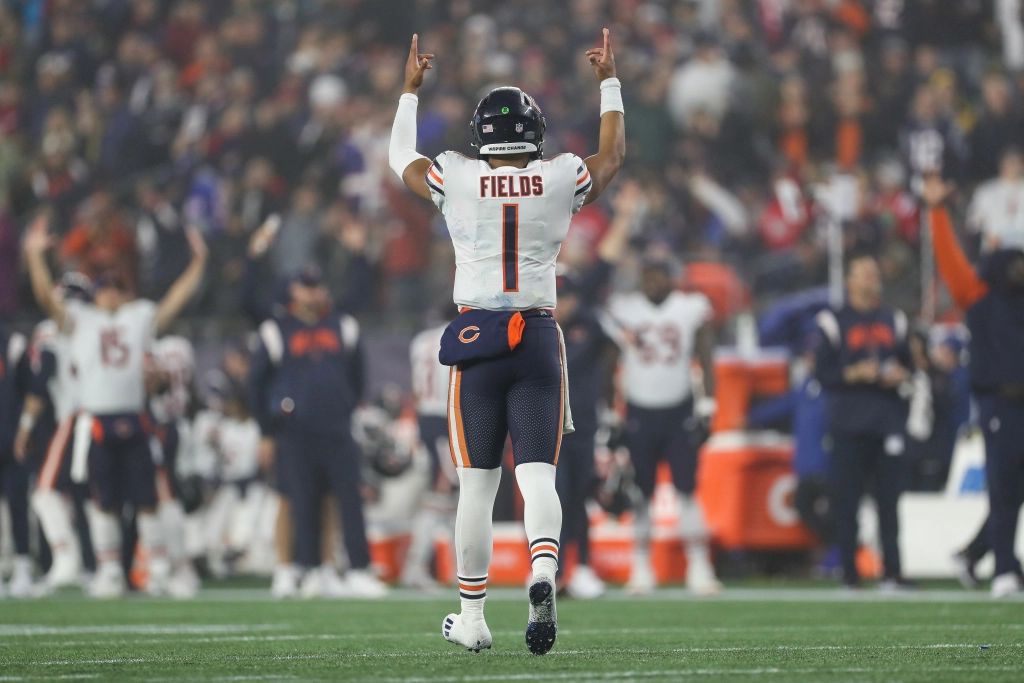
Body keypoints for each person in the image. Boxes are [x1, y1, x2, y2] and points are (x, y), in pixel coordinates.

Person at [388, 29, 624, 654]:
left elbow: (398, 161)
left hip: (479, 335)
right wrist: (609, 81)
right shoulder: (557, 177)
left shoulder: (457, 176)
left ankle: (472, 615)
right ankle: (544, 569)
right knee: (539, 477)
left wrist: (409, 93)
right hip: (541, 335)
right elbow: (611, 159)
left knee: (476, 486)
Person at [23, 214, 207, 597]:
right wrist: (35, 257)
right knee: (103, 500)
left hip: (135, 419)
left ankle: (157, 568)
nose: (111, 293)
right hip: (96, 422)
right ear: (95, 295)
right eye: (105, 288)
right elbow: (45, 299)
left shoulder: (138, 317)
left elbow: (174, 301)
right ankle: (108, 570)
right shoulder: (81, 319)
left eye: (117, 288)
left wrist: (198, 264)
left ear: (127, 293)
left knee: (147, 500)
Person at [247, 265, 387, 599]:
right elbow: (256, 384)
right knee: (301, 499)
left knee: (348, 499)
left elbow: (357, 377)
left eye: (316, 286)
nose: (312, 292)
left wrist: (345, 406)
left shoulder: (343, 325)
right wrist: (266, 430)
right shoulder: (274, 330)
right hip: (294, 430)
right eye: (305, 286)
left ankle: (356, 569)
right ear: (292, 291)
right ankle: (306, 568)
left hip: (336, 426)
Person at [923, 175, 1024, 598]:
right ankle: (1003, 568)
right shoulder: (978, 294)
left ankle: (975, 553)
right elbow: (949, 260)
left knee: (1014, 489)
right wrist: (937, 212)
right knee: (1004, 485)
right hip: (1000, 402)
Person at [607, 257, 721, 596]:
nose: (652, 282)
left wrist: (707, 405)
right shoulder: (626, 309)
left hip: (679, 410)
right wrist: (610, 414)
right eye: (647, 275)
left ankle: (699, 566)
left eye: (658, 275)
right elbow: (610, 362)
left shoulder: (689, 308)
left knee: (687, 490)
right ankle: (641, 567)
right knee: (641, 493)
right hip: (639, 411)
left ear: (672, 278)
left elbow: (706, 354)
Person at [814, 252, 912, 590]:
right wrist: (853, 373)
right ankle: (850, 575)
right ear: (850, 281)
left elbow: (910, 364)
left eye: (874, 272)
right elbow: (820, 374)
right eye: (864, 273)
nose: (871, 279)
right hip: (848, 422)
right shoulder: (832, 321)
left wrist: (901, 374)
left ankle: (893, 573)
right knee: (847, 502)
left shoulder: (894, 319)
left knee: (889, 502)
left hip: (886, 420)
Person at [14, 272, 95, 591]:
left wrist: (25, 426)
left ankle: (66, 559)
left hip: (71, 417)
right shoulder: (97, 325)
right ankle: (97, 564)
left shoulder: (51, 329)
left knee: (45, 492)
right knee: (88, 497)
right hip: (99, 415)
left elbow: (41, 380)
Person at [402, 309, 458, 590]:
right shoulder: (456, 334)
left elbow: (415, 389)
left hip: (426, 417)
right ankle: (416, 565)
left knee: (448, 497)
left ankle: (453, 565)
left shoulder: (419, 340)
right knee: (440, 495)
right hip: (443, 416)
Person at [0, 321, 32, 597]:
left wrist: (24, 431)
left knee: (18, 506)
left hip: (10, 440)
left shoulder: (13, 343)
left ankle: (22, 567)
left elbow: (32, 393)